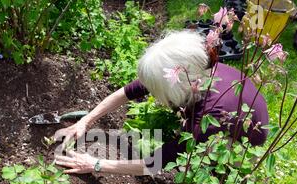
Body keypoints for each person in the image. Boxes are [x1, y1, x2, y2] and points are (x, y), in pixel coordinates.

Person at [53, 31, 269, 175]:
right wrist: (86, 121)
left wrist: (95, 164)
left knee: (197, 155)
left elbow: (156, 163)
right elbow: (127, 91)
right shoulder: (191, 70)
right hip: (227, 112)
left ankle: (228, 166)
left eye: (157, 92)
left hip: (244, 142)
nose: (154, 96)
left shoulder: (206, 120)